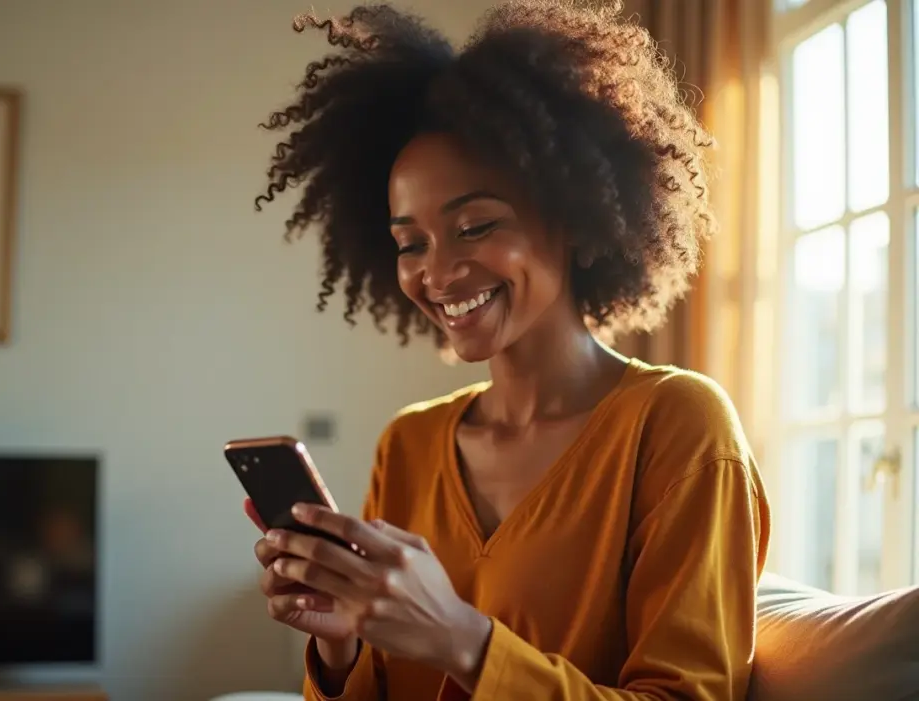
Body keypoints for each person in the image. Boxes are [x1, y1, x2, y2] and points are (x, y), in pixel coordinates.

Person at [248, 1, 771, 700]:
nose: (436, 272)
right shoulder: (408, 444)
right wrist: (339, 642)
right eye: (411, 243)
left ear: (578, 223)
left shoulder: (678, 425)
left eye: (475, 226)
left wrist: (462, 640)